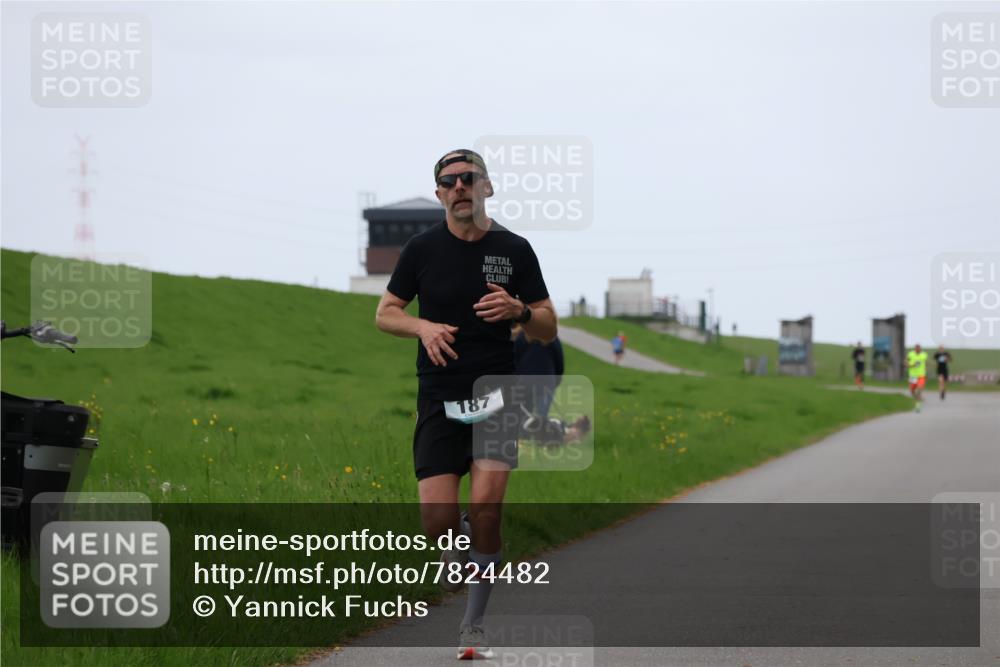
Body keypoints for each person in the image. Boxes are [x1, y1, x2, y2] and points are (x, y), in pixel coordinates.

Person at [375, 148, 557, 660]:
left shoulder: (516, 249)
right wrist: (422, 325)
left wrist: (520, 309)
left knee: (487, 508)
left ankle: (473, 627)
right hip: (437, 396)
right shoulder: (421, 249)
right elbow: (385, 313)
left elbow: (548, 327)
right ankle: (464, 548)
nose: (459, 187)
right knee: (437, 521)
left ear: (487, 187)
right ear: (439, 194)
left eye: (468, 178)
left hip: (498, 394)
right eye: (449, 181)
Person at [512, 324, 591, 445]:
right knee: (542, 416)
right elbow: (559, 361)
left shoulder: (520, 337)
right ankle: (543, 442)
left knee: (524, 416)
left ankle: (525, 441)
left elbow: (514, 359)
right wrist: (556, 380)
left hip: (524, 381)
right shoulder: (551, 338)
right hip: (546, 381)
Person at [906, 343, 929, 412]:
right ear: (915, 349)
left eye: (919, 348)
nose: (918, 349)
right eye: (916, 348)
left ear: (920, 349)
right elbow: (906, 362)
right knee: (912, 391)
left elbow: (926, 362)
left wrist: (927, 370)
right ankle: (918, 398)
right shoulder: (910, 354)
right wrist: (909, 365)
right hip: (912, 376)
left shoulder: (924, 355)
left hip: (921, 375)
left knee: (919, 389)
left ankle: (918, 405)